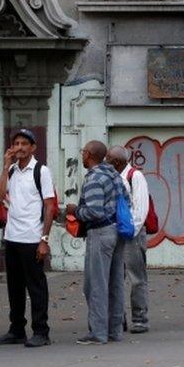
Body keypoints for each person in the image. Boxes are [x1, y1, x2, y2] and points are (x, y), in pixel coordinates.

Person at [0, 129, 56, 347]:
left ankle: (41, 331)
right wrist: (4, 168)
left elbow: (49, 206)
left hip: (32, 237)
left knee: (36, 286)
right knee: (14, 286)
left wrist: (44, 239)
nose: (19, 147)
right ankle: (16, 329)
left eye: (24, 144)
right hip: (12, 236)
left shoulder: (41, 171)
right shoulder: (11, 171)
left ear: (32, 148)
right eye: (16, 143)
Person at [66, 141, 128, 345]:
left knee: (96, 285)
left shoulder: (94, 178)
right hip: (117, 231)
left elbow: (94, 211)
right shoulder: (115, 176)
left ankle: (98, 333)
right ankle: (114, 331)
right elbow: (126, 201)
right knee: (115, 283)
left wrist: (75, 211)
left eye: (83, 152)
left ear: (89, 155)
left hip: (100, 233)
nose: (82, 155)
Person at [107, 145, 151, 333]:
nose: (105, 161)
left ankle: (140, 318)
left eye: (107, 159)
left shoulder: (135, 176)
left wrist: (129, 232)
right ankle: (119, 318)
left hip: (131, 234)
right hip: (114, 232)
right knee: (116, 278)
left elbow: (141, 208)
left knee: (136, 278)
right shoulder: (111, 176)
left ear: (116, 162)